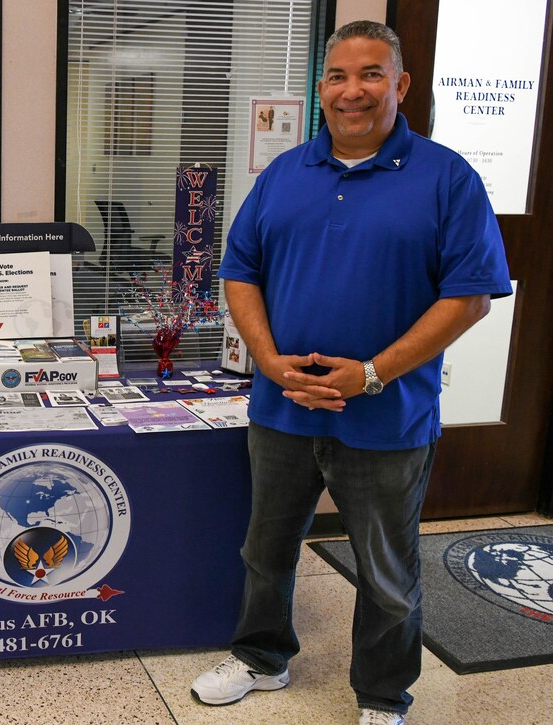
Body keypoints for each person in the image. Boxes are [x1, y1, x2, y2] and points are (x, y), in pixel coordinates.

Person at [191, 21, 511, 725]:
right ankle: (261, 658)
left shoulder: (446, 178)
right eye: (338, 76)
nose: (352, 90)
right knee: (265, 549)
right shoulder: (285, 173)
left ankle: (382, 694)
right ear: (321, 88)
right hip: (283, 407)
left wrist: (369, 373)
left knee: (387, 573)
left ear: (399, 85)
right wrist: (270, 361)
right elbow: (240, 272)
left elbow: (470, 297)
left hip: (387, 414)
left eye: (371, 74)